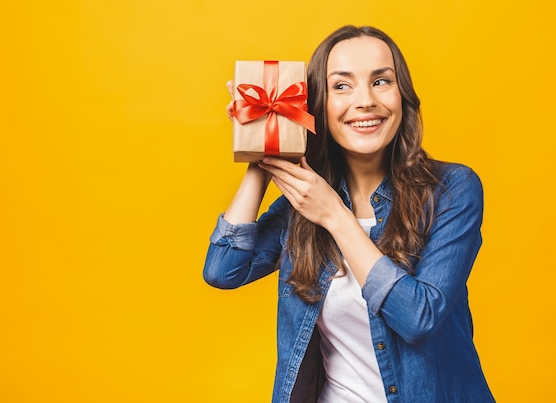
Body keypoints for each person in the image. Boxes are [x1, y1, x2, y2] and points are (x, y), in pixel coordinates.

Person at [203, 25, 495, 403]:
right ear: (316, 106)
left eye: (381, 82)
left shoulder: (452, 189)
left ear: (402, 96)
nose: (365, 101)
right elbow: (223, 269)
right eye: (342, 86)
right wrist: (264, 148)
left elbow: (418, 317)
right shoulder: (303, 204)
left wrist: (336, 217)